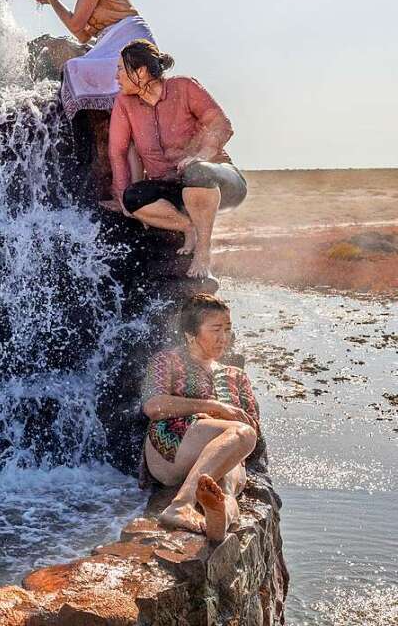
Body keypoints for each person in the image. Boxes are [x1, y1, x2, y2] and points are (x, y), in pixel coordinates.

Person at [106, 39, 247, 278]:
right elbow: (117, 152)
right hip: (172, 186)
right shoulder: (124, 103)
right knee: (133, 197)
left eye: (121, 69)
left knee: (196, 172)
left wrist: (199, 156)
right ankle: (187, 227)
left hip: (218, 179)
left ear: (140, 71)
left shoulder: (184, 87)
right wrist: (122, 197)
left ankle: (203, 251)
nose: (116, 76)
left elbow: (222, 124)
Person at [141, 294, 261, 541]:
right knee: (241, 433)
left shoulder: (236, 375)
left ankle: (219, 520)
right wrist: (213, 408)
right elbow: (154, 406)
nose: (223, 337)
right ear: (190, 334)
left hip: (223, 455)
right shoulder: (167, 361)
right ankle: (181, 505)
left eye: (228, 329)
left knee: (228, 484)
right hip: (172, 449)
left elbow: (253, 424)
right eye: (216, 329)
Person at [27, 0, 155, 117]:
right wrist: (50, 0)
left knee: (72, 71)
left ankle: (81, 145)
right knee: (77, 70)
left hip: (127, 42)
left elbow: (75, 24)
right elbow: (82, 35)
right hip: (123, 39)